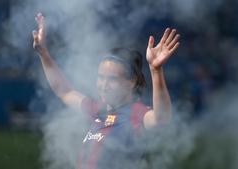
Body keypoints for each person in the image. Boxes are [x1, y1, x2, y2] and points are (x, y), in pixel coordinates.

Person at [32, 13, 180, 169]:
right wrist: (44, 54)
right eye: (101, 77)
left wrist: (156, 70)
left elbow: (161, 119)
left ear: (131, 82)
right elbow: (64, 91)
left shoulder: (136, 113)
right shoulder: (97, 109)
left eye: (112, 79)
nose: (103, 85)